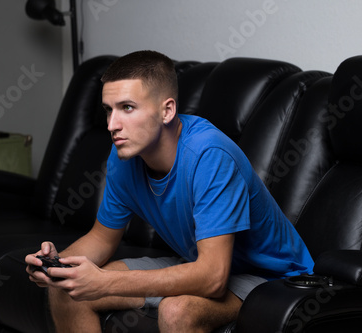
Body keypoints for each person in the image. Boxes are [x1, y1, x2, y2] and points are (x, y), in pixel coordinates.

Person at [25, 50, 314, 332]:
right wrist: (56, 266)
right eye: (108, 110)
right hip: (200, 263)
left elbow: (213, 277)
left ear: (167, 110)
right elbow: (101, 237)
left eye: (127, 108)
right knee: (67, 290)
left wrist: (103, 281)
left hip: (274, 279)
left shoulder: (209, 155)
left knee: (177, 311)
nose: (112, 125)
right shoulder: (124, 157)